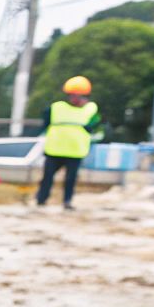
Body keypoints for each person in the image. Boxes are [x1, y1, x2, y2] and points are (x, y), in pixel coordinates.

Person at [35, 76, 103, 210]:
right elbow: (44, 125)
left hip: (75, 151)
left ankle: (67, 201)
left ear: (86, 97)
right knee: (47, 177)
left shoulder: (91, 110)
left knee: (70, 179)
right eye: (73, 95)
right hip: (54, 150)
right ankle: (41, 200)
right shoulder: (56, 108)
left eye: (80, 96)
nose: (76, 99)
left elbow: (96, 127)